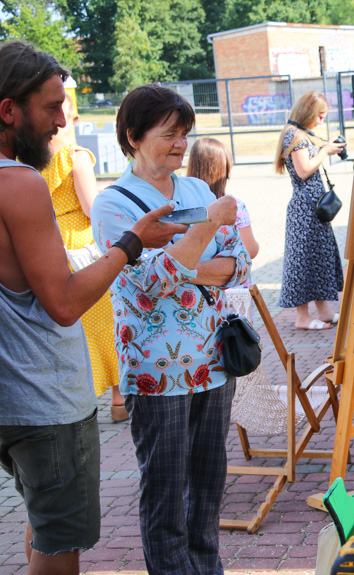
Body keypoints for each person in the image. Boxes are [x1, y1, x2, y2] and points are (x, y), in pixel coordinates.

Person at [0, 41, 183, 575]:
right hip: (46, 401)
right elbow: (63, 302)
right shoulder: (20, 182)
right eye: (51, 106)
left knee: (41, 519)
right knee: (59, 552)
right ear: (8, 110)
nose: (62, 120)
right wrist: (130, 244)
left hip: (12, 400)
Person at [90, 84, 252, 574]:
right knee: (164, 496)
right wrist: (205, 234)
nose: (182, 143)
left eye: (186, 133)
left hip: (213, 363)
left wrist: (181, 264)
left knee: (206, 491)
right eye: (170, 133)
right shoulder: (113, 205)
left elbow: (242, 264)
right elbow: (146, 282)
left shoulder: (196, 190)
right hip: (156, 371)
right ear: (133, 136)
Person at [40, 82, 128, 421]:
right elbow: (91, 207)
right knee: (106, 323)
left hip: (50, 244)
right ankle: (118, 399)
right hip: (81, 246)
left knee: (71, 329)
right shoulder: (75, 157)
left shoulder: (31, 160)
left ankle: (79, 398)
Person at [274, 91, 345, 330]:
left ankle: (323, 310)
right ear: (309, 112)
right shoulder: (295, 136)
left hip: (312, 209)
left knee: (319, 257)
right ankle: (302, 317)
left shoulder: (299, 134)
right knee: (303, 261)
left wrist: (323, 147)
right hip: (305, 209)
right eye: (320, 116)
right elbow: (304, 170)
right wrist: (324, 151)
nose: (321, 121)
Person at [188, 137, 259, 271]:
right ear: (224, 169)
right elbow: (250, 249)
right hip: (230, 287)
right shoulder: (234, 205)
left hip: (191, 285)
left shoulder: (182, 204)